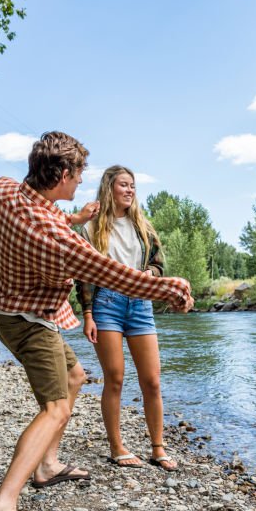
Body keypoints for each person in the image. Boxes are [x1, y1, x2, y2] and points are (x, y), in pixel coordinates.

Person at [0, 132, 194, 511]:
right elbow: (110, 273)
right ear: (60, 175)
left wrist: (72, 219)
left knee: (75, 377)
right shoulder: (58, 241)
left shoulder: (2, 190)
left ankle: (48, 466)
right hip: (28, 321)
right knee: (56, 408)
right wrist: (169, 288)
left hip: (11, 310)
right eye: (76, 177)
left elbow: (49, 220)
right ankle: (0, 510)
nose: (78, 187)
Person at [76, 165, 178, 471]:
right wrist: (88, 313)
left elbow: (159, 264)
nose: (130, 190)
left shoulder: (143, 227)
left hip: (141, 305)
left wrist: (152, 273)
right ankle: (117, 448)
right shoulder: (92, 228)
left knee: (152, 381)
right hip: (106, 303)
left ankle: (158, 449)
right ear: (110, 188)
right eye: (124, 185)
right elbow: (83, 274)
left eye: (132, 185)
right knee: (116, 378)